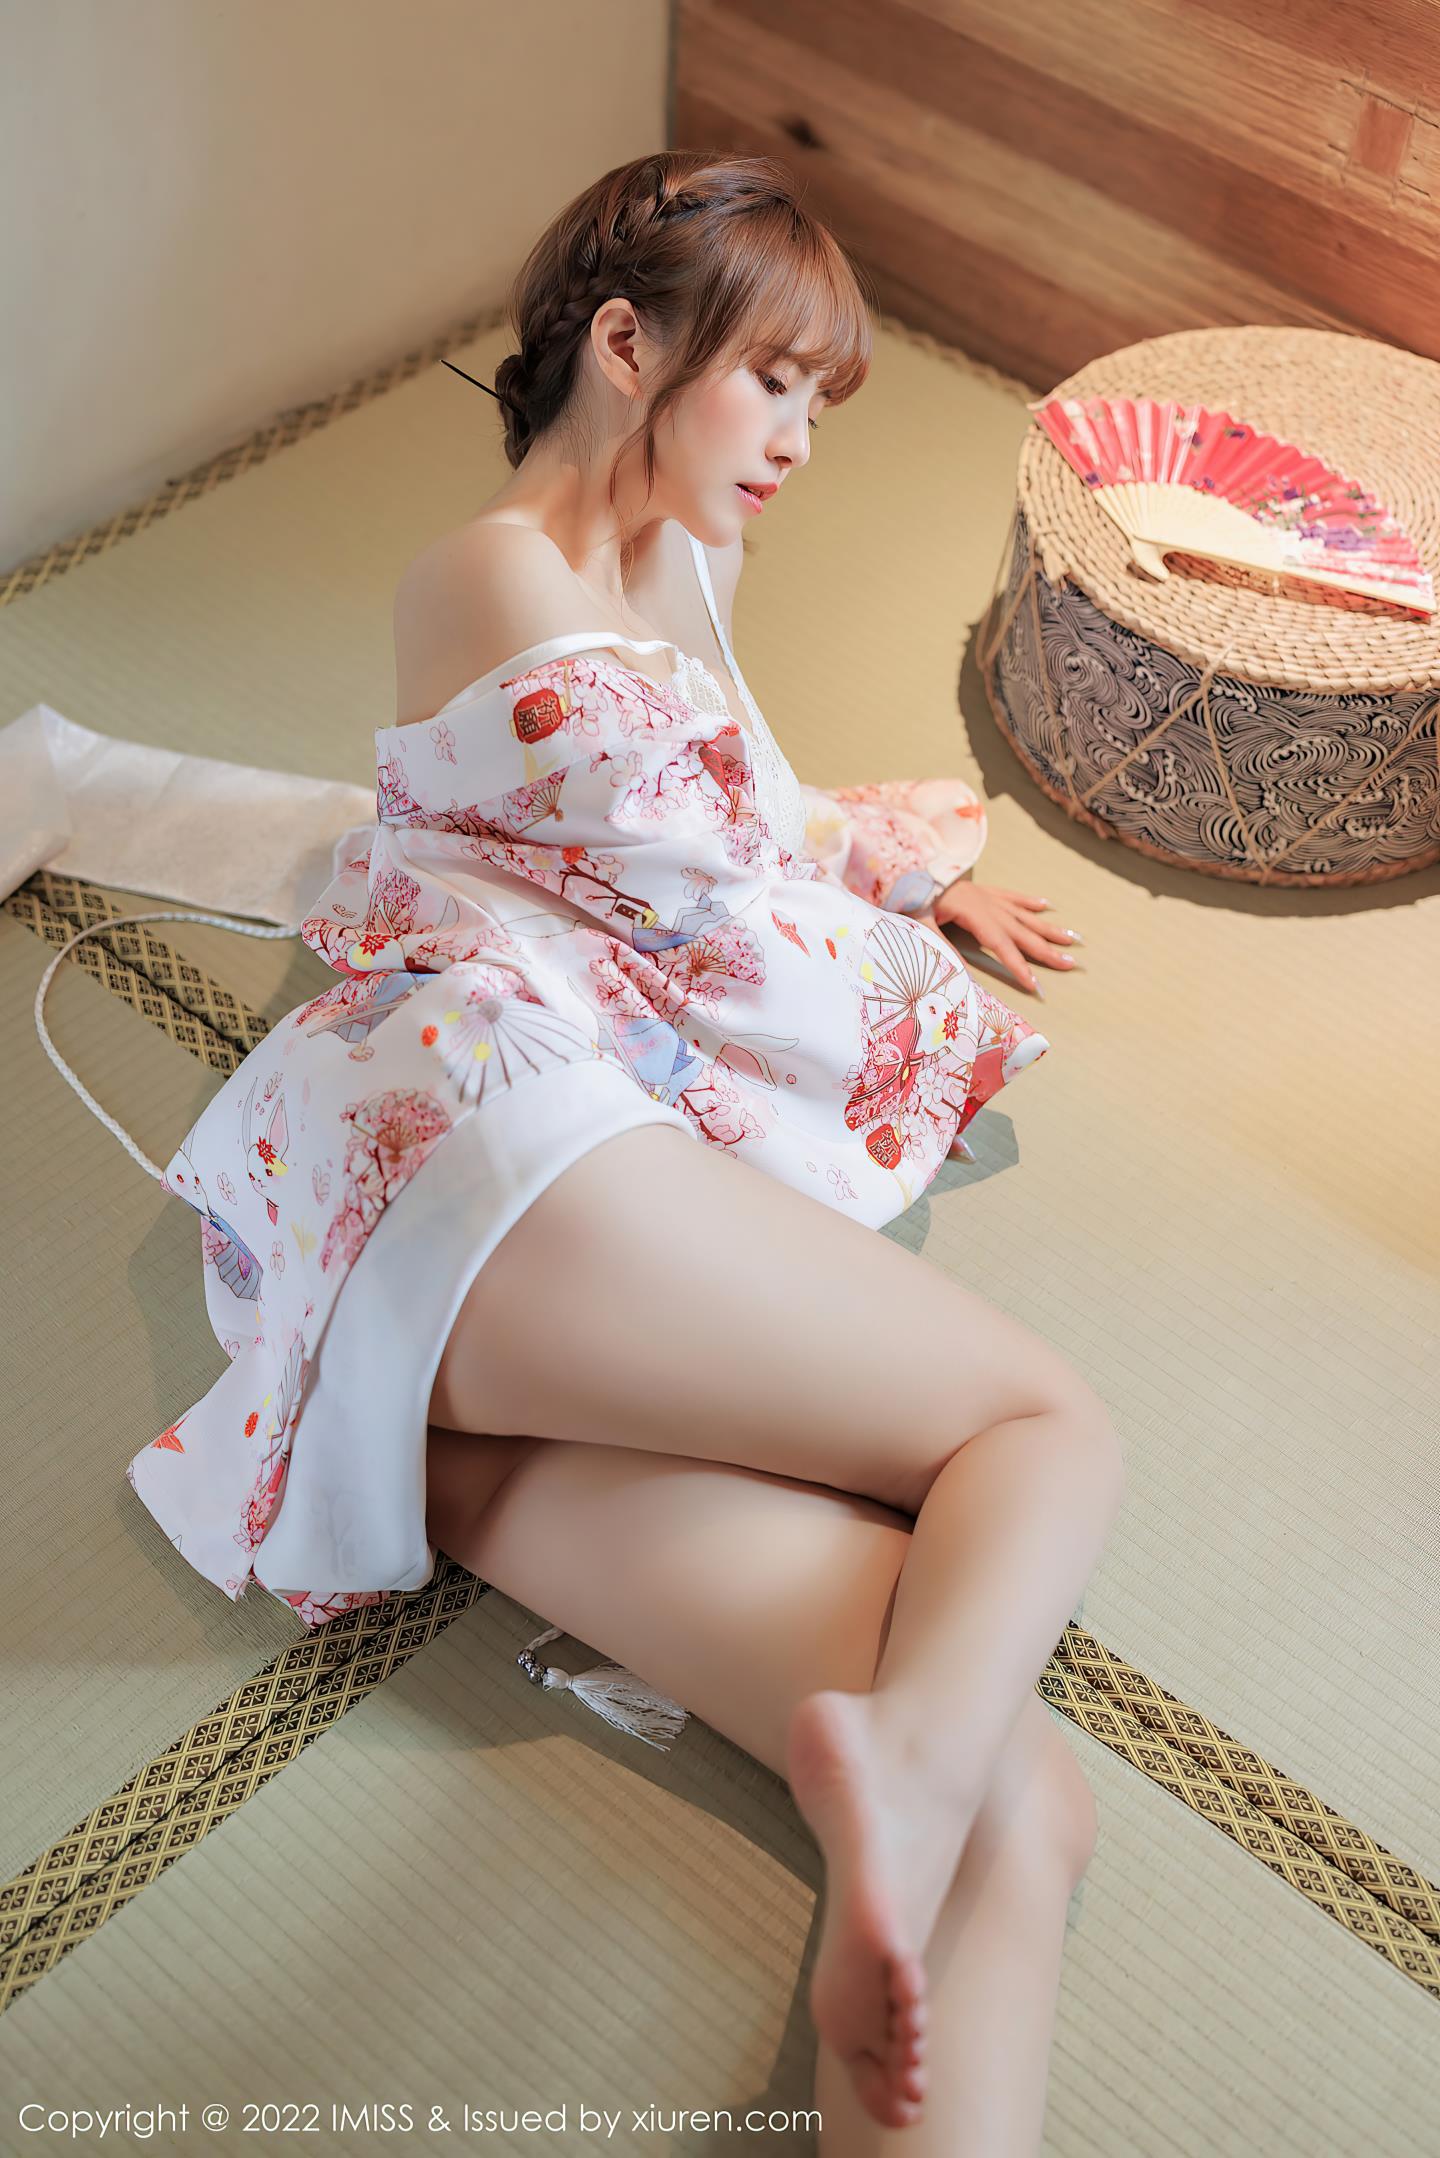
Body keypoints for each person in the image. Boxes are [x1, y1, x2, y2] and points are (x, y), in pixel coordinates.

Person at [134, 148, 1124, 2152]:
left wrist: (892, 868)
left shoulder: (663, 580)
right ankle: (901, 1770)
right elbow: (681, 832)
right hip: (470, 1126)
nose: (802, 441)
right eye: (774, 381)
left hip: (465, 1400)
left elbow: (738, 793)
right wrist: (817, 845)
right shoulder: (489, 573)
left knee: (1029, 1805)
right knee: (1044, 1430)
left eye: (825, 403)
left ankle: (914, 1785)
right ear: (623, 345)